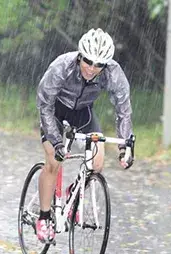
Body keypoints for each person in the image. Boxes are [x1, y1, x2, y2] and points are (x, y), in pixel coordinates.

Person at [35, 28, 134, 243]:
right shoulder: (63, 66)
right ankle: (43, 218)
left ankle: (73, 195)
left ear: (105, 64)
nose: (92, 68)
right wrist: (56, 140)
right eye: (88, 61)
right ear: (80, 55)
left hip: (83, 114)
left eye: (99, 64)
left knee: (97, 163)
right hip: (54, 111)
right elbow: (44, 104)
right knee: (53, 161)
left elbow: (123, 110)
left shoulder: (112, 72)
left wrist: (125, 145)